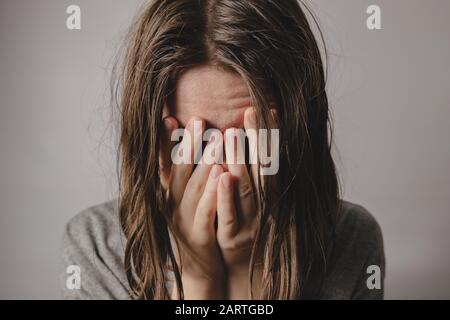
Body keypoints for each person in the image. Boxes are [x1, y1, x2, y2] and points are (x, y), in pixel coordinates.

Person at [61, 0, 385, 300]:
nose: (228, 173)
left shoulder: (350, 240)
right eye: (198, 144)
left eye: (249, 140)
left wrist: (253, 273)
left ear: (296, 133)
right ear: (156, 142)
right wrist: (197, 276)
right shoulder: (98, 248)